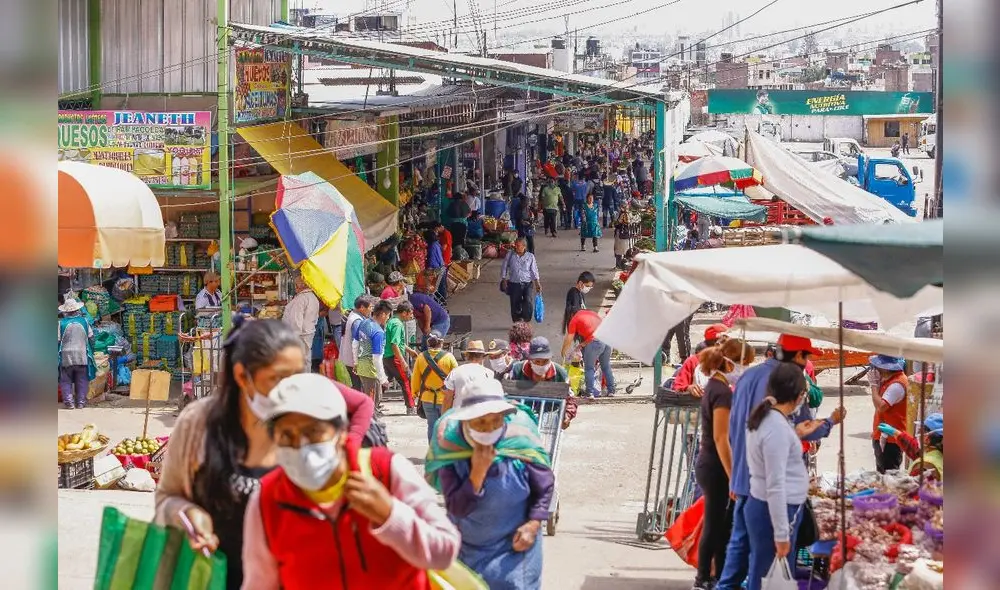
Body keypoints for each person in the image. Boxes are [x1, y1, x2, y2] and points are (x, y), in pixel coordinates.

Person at [155, 318, 374, 590]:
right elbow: (167, 498)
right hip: (213, 579)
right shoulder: (198, 424)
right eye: (277, 379)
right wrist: (187, 514)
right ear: (242, 377)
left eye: (297, 377)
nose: (290, 390)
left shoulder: (314, 424)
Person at [241, 373, 461, 589]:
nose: (301, 446)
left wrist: (390, 515)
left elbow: (445, 553)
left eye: (314, 432)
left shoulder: (385, 471)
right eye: (286, 436)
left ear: (341, 432)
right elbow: (259, 581)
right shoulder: (268, 499)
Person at [715, 334, 847, 590]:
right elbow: (777, 479)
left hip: (744, 481)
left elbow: (733, 431)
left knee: (739, 557)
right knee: (764, 570)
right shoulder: (789, 387)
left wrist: (735, 473)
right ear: (797, 356)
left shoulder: (748, 378)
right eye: (806, 356)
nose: (807, 363)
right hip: (768, 496)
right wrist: (830, 422)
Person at [427, 380, 554, 590]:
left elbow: (545, 486)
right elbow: (457, 507)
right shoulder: (452, 451)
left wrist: (533, 525)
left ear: (504, 418)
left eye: (495, 421)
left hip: (516, 547)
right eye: (480, 422)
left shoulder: (522, 443)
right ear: (465, 421)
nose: (488, 429)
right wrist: (477, 472)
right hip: (468, 549)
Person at [692, 340, 755, 590]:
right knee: (716, 524)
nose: (745, 368)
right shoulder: (722, 393)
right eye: (744, 363)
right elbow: (721, 438)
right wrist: (733, 476)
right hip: (715, 466)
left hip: (711, 464)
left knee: (720, 525)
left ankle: (718, 577)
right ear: (729, 362)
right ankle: (704, 577)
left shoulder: (717, 388)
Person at [743, 363, 811, 590]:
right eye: (803, 394)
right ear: (798, 396)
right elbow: (775, 484)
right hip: (773, 510)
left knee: (762, 575)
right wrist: (782, 533)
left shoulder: (767, 419)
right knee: (767, 577)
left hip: (766, 507)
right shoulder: (775, 427)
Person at [508, 337, 578, 429]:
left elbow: (570, 399)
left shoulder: (560, 373)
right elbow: (506, 396)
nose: (541, 365)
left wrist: (567, 415)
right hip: (522, 418)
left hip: (550, 419)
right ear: (530, 360)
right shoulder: (517, 370)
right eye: (537, 361)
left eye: (545, 361)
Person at [410, 331, 459, 441]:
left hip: (427, 398)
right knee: (446, 427)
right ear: (441, 343)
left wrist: (415, 393)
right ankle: (444, 453)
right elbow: (457, 376)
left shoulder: (421, 357)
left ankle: (433, 454)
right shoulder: (449, 357)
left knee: (432, 426)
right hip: (446, 398)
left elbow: (415, 378)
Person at [868, 354, 909, 473]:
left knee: (888, 474)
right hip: (884, 435)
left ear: (885, 368)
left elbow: (881, 406)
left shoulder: (896, 385)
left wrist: (874, 386)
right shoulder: (890, 381)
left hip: (890, 440)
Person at [560, 309, 615, 399]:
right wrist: (583, 344)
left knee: (589, 368)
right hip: (607, 338)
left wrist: (563, 351)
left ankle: (590, 392)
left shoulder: (574, 319)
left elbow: (569, 339)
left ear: (570, 316)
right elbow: (593, 333)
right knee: (606, 366)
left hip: (596, 341)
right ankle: (611, 391)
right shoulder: (591, 313)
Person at [352, 300, 393, 410]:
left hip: (361, 367)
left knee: (367, 399)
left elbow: (355, 343)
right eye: (388, 315)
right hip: (371, 370)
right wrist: (383, 379)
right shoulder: (378, 332)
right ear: (383, 314)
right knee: (371, 403)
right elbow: (377, 358)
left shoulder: (363, 323)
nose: (388, 318)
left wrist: (356, 362)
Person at [668, 323, 730, 395]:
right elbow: (677, 387)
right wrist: (689, 388)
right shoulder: (693, 361)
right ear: (717, 344)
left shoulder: (731, 361)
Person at [879, 412, 944, 480]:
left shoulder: (922, 467)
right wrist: (895, 432)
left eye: (920, 431)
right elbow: (914, 449)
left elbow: (913, 489)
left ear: (927, 439)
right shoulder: (940, 455)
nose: (917, 436)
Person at [58, 298, 95, 410]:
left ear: (66, 312)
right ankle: (80, 402)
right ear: (77, 310)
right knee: (82, 378)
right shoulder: (84, 322)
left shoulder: (61, 323)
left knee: (66, 379)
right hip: (81, 354)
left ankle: (69, 402)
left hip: (66, 356)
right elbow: (91, 338)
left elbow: (57, 340)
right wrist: (91, 350)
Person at [385, 301, 418, 416]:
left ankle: (372, 405)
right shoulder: (397, 324)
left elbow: (399, 343)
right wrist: (403, 361)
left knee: (384, 381)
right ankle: (411, 407)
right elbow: (394, 344)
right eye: (410, 313)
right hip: (395, 357)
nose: (412, 316)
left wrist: (410, 351)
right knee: (407, 380)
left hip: (387, 356)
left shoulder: (392, 321)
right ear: (404, 313)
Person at [443, 340, 495, 411]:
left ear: (467, 356)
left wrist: (443, 417)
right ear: (483, 357)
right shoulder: (489, 374)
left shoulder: (456, 372)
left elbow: (448, 397)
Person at [499, 237, 542, 323]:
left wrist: (537, 284)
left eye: (518, 245)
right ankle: (517, 322)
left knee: (528, 302)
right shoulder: (510, 255)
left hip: (527, 283)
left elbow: (534, 271)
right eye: (515, 245)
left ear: (524, 247)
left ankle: (526, 320)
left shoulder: (530, 256)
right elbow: (504, 267)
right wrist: (503, 279)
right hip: (514, 283)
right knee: (515, 303)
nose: (516, 247)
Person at [340, 295, 375, 390]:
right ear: (362, 307)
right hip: (354, 361)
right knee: (358, 388)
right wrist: (357, 362)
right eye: (370, 307)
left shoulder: (352, 315)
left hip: (351, 360)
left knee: (356, 387)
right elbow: (356, 343)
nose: (371, 310)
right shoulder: (357, 321)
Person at [283, 275, 321, 354]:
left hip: (301, 335)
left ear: (301, 285)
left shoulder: (301, 298)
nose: (295, 287)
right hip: (308, 332)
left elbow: (296, 320)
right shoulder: (313, 297)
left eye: (296, 284)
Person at [310, 303, 330, 373]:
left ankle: (317, 364)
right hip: (315, 325)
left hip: (317, 325)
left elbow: (324, 312)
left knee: (317, 343)